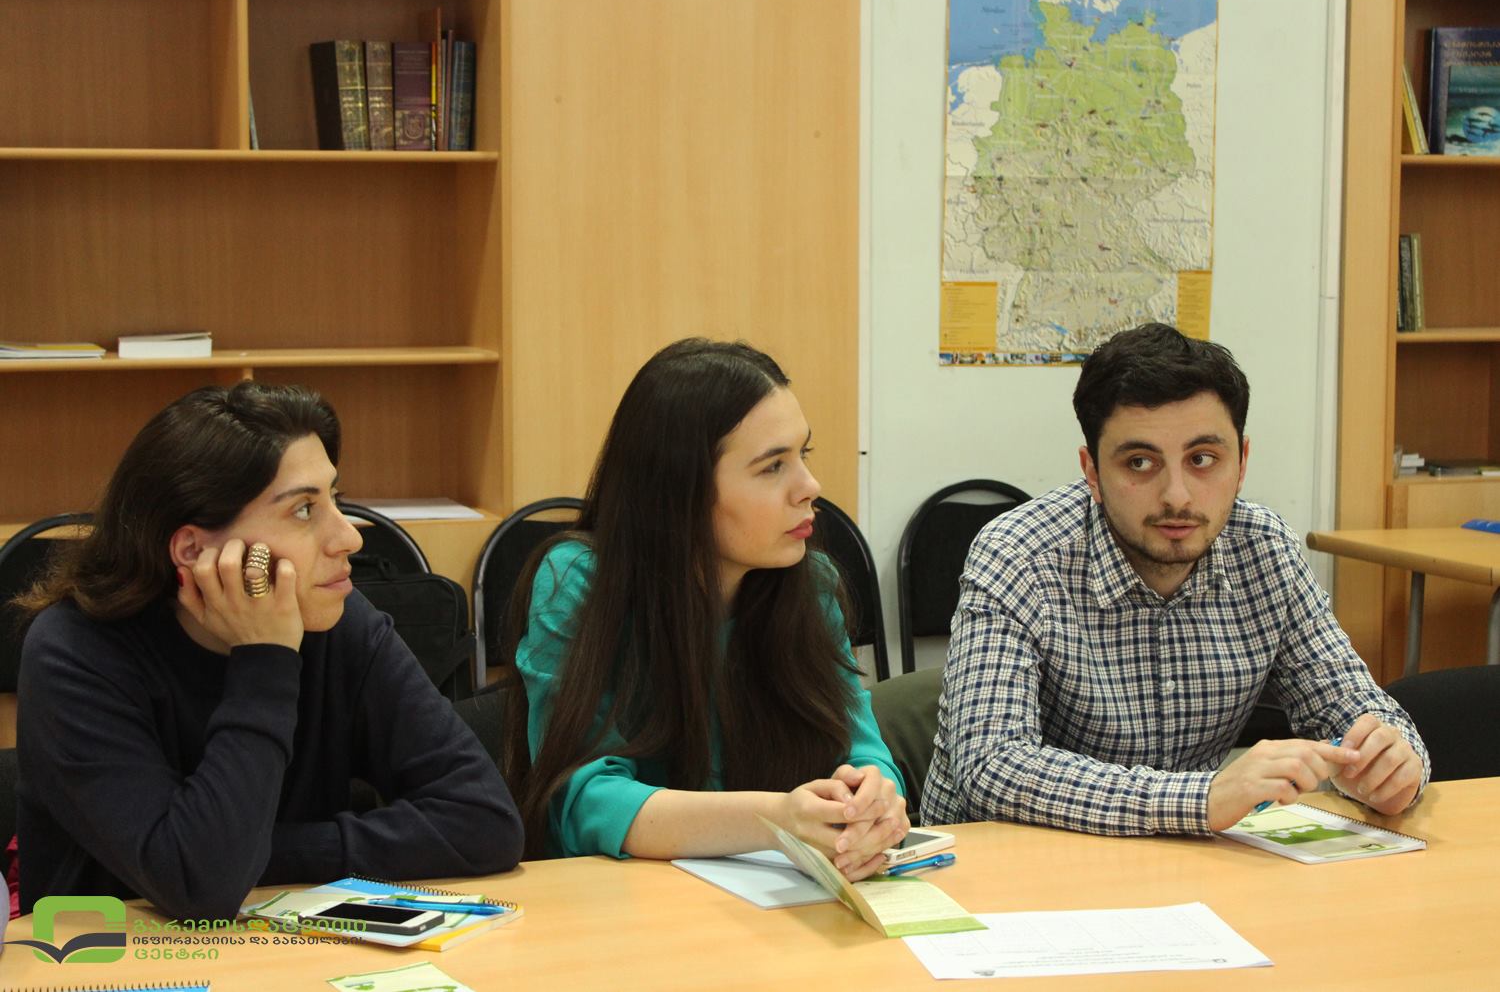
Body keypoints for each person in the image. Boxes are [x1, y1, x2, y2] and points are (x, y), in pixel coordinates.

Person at [16, 382, 523, 920]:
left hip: (285, 948)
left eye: (335, 499)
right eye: (304, 510)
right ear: (192, 549)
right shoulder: (74, 653)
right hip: (112, 953)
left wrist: (260, 850)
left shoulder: (339, 622)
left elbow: (486, 821)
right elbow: (200, 886)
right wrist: (265, 658)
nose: (350, 538)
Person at [924, 323, 1429, 836]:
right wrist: (1202, 798)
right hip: (1007, 861)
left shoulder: (1264, 549)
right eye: (1140, 462)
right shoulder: (1019, 555)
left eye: (1202, 459)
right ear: (1092, 472)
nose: (1178, 496)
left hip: (1183, 861)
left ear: (1241, 463)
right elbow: (992, 765)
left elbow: (1352, 705)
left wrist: (1394, 765)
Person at [503, 338, 907, 878]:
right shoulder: (581, 583)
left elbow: (861, 749)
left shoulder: (810, 584)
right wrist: (775, 819)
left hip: (775, 894)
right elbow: (580, 800)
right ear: (681, 488)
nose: (809, 487)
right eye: (773, 467)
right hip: (620, 899)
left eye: (803, 455)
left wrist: (873, 802)